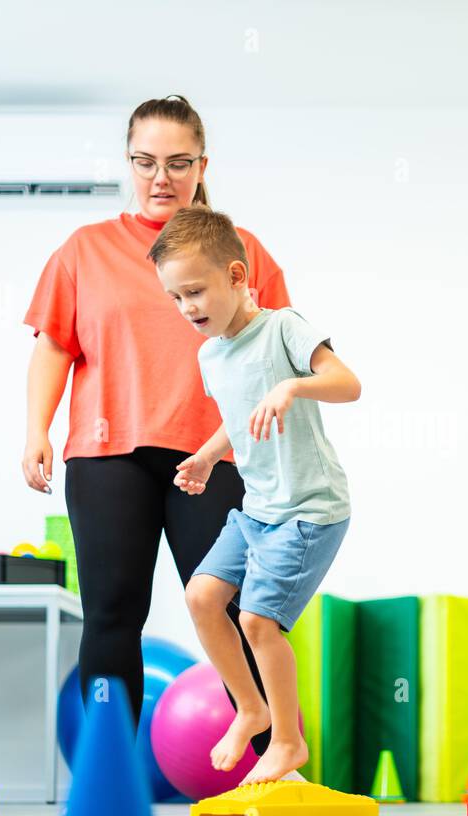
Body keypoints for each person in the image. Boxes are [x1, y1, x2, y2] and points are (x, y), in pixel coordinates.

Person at [21, 96, 289, 748]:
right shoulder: (85, 251)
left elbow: (279, 352)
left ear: (202, 164)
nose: (159, 177)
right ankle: (106, 773)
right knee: (111, 615)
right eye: (144, 162)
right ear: (129, 162)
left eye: (176, 163)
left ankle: (272, 765)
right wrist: (36, 431)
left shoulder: (242, 250)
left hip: (214, 456)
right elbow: (54, 345)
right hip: (108, 455)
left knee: (237, 611)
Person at [149, 205, 359, 785]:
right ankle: (251, 708)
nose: (188, 307)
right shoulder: (210, 353)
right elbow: (241, 417)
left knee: (259, 622)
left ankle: (288, 743)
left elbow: (349, 384)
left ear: (237, 277)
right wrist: (210, 453)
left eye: (195, 291)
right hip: (257, 512)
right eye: (176, 297)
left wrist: (293, 384)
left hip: (309, 512)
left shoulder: (283, 327)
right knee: (201, 598)